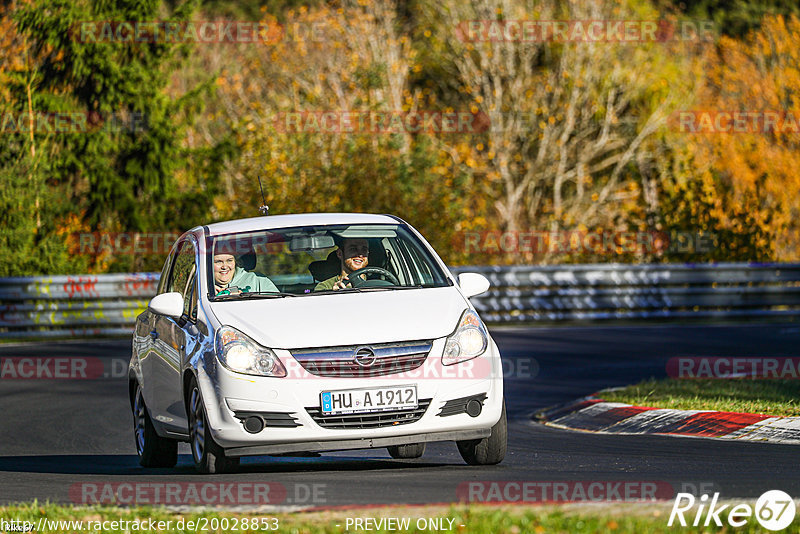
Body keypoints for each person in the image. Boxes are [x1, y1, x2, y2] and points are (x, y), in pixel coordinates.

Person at [213, 253, 279, 295]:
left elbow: (277, 307)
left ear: (235, 262)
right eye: (218, 262)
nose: (225, 267)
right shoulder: (203, 287)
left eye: (229, 260)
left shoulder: (258, 280)